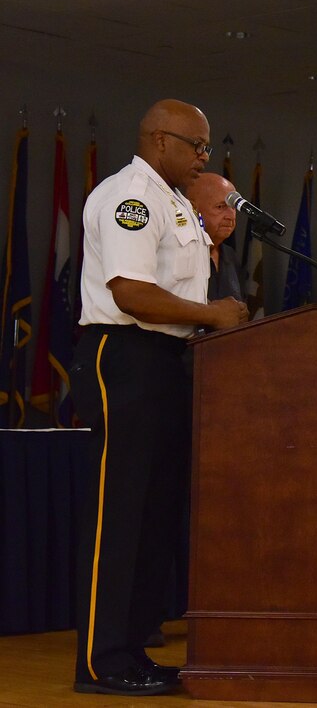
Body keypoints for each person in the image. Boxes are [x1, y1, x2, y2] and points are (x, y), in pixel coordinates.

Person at [70, 99, 249, 696]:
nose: (205, 157)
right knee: (120, 514)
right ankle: (102, 662)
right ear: (158, 139)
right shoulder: (131, 197)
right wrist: (211, 314)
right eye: (196, 146)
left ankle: (135, 651)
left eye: (206, 147)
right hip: (125, 357)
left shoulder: (175, 202)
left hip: (171, 362)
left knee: (154, 515)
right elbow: (130, 292)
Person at [186, 172, 244, 301]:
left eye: (233, 208)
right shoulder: (181, 253)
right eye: (220, 207)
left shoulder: (230, 255)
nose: (231, 216)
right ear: (193, 208)